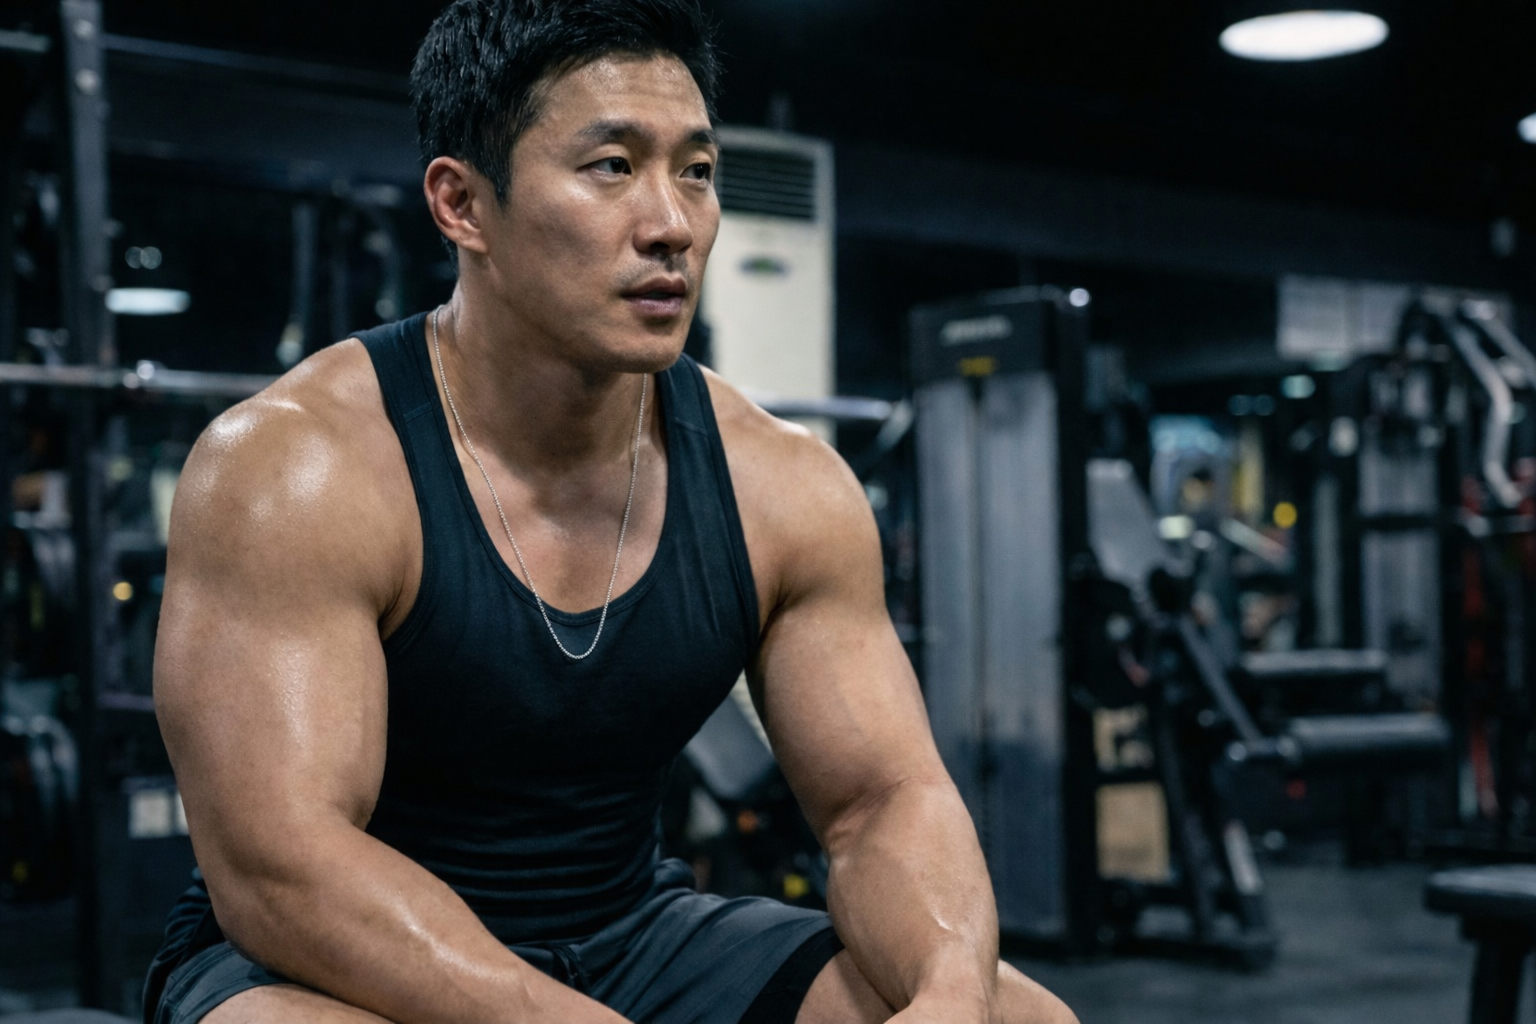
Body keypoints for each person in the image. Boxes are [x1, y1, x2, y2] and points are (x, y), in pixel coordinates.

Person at [144, 2, 1078, 1022]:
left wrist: (948, 994)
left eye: (696, 170)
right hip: (328, 960)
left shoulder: (781, 484)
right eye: (611, 166)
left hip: (634, 935)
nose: (672, 222)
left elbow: (880, 801)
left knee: (1024, 1017)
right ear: (463, 206)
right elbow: (283, 869)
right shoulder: (296, 470)